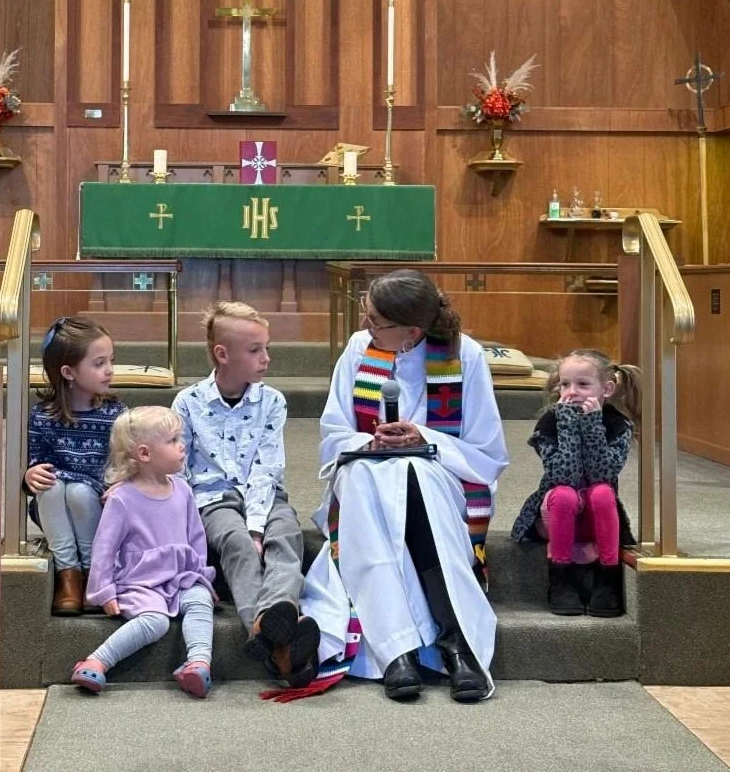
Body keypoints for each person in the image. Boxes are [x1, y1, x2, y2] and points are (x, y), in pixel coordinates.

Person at [296, 269, 508, 704]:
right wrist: (368, 442)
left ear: (413, 330)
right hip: (365, 469)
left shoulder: (463, 356)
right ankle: (397, 652)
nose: (365, 326)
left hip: (439, 473)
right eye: (366, 314)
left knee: (414, 475)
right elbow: (335, 432)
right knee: (366, 478)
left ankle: (456, 641)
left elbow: (486, 450)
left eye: (376, 321)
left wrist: (423, 438)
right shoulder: (360, 349)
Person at [172, 301, 319, 687]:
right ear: (222, 355)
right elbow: (180, 471)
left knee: (285, 535)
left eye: (266, 348)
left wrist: (258, 526)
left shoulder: (272, 401)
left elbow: (267, 469)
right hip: (213, 499)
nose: (266, 358)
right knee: (236, 543)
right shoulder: (188, 402)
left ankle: (268, 622)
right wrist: (244, 533)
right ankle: (275, 636)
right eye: (255, 350)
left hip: (267, 495)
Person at [71, 406, 217, 697]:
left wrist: (200, 575)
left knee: (200, 601)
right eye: (172, 440)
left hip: (181, 577)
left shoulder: (183, 490)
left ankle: (199, 662)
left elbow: (196, 537)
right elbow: (104, 549)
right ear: (145, 453)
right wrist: (103, 592)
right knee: (155, 621)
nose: (182, 445)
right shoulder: (122, 499)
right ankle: (97, 661)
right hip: (141, 582)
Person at [511, 349, 641, 618]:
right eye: (565, 384)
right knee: (565, 494)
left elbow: (602, 474)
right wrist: (568, 424)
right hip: (556, 515)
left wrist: (593, 426)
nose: (572, 392)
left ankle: (608, 579)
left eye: (583, 384)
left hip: (596, 517)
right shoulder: (550, 421)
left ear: (606, 389)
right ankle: (561, 579)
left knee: (603, 492)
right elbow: (564, 476)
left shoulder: (617, 424)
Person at [24, 316, 125, 615]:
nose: (109, 370)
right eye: (99, 363)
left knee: (79, 492)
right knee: (51, 488)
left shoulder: (116, 414)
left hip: (98, 504)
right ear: (68, 372)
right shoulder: (42, 416)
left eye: (111, 360)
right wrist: (29, 475)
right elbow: (34, 461)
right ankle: (67, 575)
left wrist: (122, 484)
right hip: (56, 507)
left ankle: (94, 572)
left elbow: (127, 465)